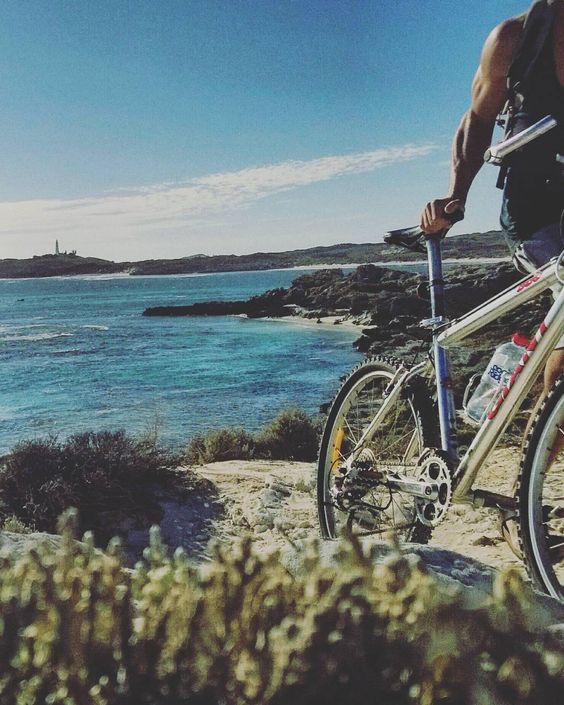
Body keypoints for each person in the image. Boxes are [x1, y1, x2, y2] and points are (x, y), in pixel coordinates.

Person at [421, 0, 564, 396]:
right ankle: (547, 446)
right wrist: (455, 197)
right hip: (532, 207)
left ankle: (541, 444)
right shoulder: (513, 40)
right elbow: (479, 118)